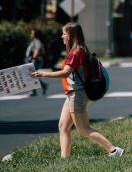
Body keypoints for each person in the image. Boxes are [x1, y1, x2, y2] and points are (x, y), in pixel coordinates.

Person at [30, 23, 123, 158]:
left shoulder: (76, 53)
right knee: (63, 126)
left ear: (71, 36)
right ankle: (64, 159)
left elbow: (65, 73)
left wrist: (42, 74)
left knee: (83, 129)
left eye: (64, 34)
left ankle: (114, 151)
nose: (62, 36)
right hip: (73, 94)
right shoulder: (78, 51)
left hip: (77, 94)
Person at [26, 29, 48, 96]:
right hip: (36, 60)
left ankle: (35, 90)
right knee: (32, 75)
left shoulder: (37, 41)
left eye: (32, 33)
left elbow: (37, 49)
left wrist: (34, 58)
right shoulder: (35, 41)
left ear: (35, 35)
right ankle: (43, 86)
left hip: (36, 60)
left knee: (32, 75)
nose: (31, 34)